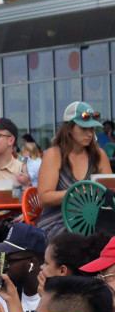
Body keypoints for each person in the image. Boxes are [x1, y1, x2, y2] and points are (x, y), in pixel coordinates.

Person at [36, 102, 113, 239]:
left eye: (92, 129)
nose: (90, 133)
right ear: (69, 129)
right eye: (84, 128)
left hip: (94, 221)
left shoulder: (99, 155)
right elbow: (44, 198)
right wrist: (76, 193)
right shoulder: (54, 154)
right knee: (84, 242)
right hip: (57, 222)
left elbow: (110, 192)